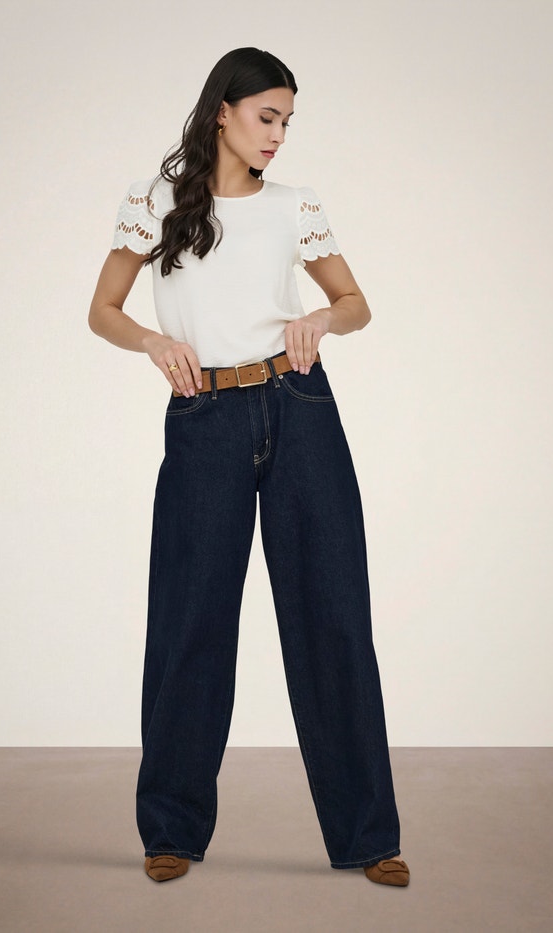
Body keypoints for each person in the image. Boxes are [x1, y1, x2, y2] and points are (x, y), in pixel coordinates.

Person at [88, 47, 410, 887]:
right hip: (204, 415)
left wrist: (321, 321)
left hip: (300, 406)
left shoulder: (295, 206)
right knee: (190, 618)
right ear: (222, 110)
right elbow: (103, 309)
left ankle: (369, 835)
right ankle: (170, 828)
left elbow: (356, 302)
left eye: (287, 121)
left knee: (334, 615)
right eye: (267, 116)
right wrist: (153, 341)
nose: (278, 135)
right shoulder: (154, 202)